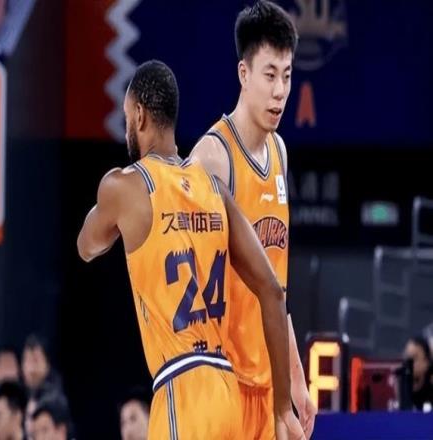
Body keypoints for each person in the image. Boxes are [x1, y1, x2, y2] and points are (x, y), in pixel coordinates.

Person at [77, 60, 304, 439]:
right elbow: (272, 290)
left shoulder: (124, 186)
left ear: (139, 115)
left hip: (180, 387)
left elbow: (87, 246)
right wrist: (281, 407)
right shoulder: (214, 189)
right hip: (227, 391)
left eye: (127, 117)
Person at [190, 1, 317, 438]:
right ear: (244, 74)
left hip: (268, 388)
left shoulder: (279, 152)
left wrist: (295, 377)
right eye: (269, 75)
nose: (280, 90)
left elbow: (275, 285)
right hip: (222, 386)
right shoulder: (212, 158)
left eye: (287, 75)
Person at [403, 336, 433, 410]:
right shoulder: (400, 381)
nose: (409, 363)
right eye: (407, 357)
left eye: (415, 358)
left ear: (426, 362)